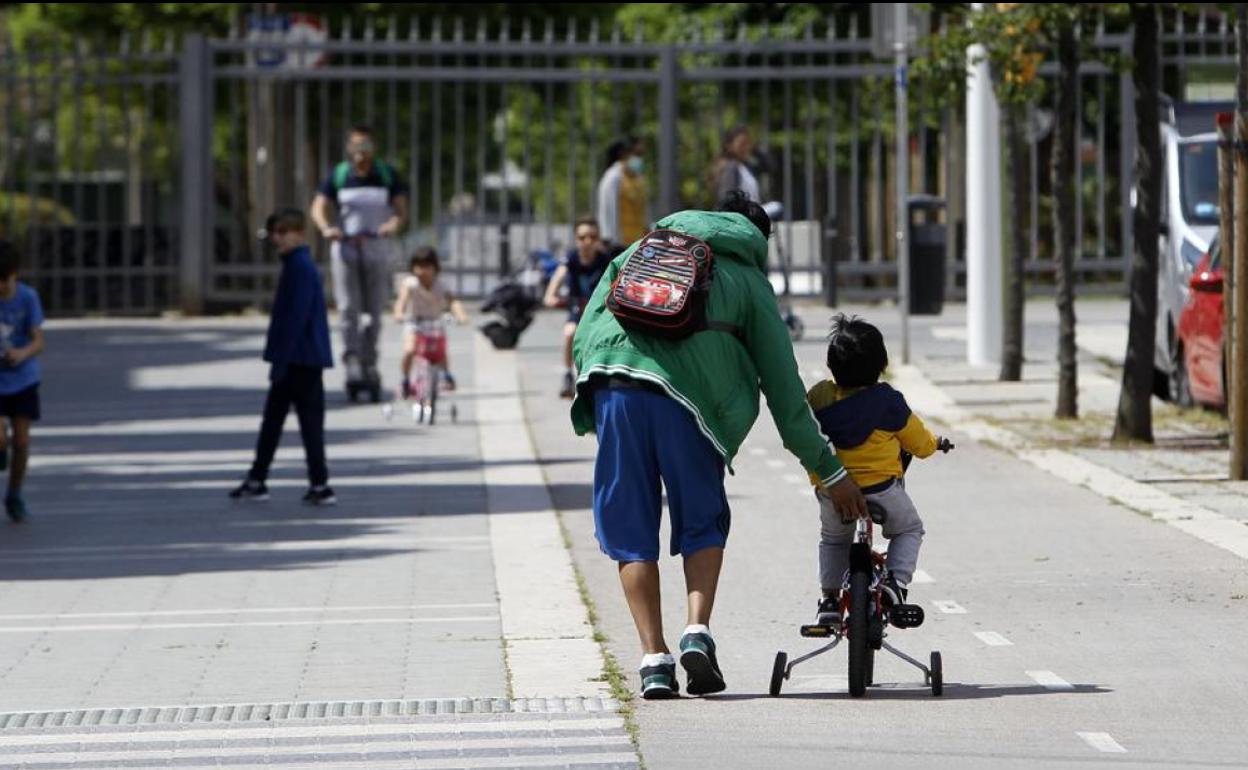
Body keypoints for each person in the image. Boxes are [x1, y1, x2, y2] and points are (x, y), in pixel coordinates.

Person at [570, 193, 866, 700]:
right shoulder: (748, 280)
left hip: (615, 388)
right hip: (689, 405)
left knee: (630, 531)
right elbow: (784, 390)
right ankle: (696, 632)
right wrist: (831, 471)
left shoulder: (637, 250)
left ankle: (653, 661)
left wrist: (597, 404)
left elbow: (585, 334)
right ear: (757, 238)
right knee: (701, 521)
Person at [806, 314, 947, 625]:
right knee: (909, 529)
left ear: (831, 364)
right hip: (881, 490)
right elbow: (919, 444)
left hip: (832, 489)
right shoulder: (888, 402)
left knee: (833, 539)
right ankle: (895, 584)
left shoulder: (818, 397)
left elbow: (806, 431)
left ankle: (829, 600)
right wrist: (936, 443)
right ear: (882, 364)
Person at [230, 209, 336, 506]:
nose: (278, 238)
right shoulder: (297, 264)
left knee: (287, 422)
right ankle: (306, 481)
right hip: (302, 357)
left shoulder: (299, 267)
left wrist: (282, 360)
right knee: (291, 422)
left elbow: (296, 317)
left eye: (283, 231)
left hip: (298, 359)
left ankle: (271, 480)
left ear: (299, 232)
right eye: (274, 233)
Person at [310, 125, 409, 389]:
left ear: (373, 148)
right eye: (356, 147)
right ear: (349, 149)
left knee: (374, 310)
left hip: (376, 247)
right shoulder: (340, 175)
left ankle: (370, 360)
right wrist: (326, 228)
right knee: (347, 308)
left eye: (365, 146)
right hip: (346, 249)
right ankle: (352, 358)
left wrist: (392, 225)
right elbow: (319, 206)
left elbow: (400, 211)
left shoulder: (386, 175)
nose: (360, 153)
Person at [543, 216, 613, 399]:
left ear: (598, 239)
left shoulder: (606, 260)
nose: (587, 242)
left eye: (592, 237)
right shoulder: (571, 259)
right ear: (576, 240)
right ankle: (568, 374)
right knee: (569, 332)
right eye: (582, 238)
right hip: (577, 310)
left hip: (600, 312)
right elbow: (558, 276)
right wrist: (550, 295)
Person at [0, 240, 44, 523]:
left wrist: (22, 353)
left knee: (23, 439)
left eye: (4, 280)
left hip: (23, 377)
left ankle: (14, 493)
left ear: (15, 274)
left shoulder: (28, 298)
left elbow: (39, 340)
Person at [393, 246, 468, 396]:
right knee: (409, 349)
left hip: (434, 321)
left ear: (435, 268)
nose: (422, 271)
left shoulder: (441, 284)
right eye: (418, 267)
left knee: (440, 350)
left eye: (427, 267)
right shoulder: (411, 284)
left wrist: (461, 315)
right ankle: (406, 379)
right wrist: (399, 313)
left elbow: (453, 301)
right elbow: (402, 300)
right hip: (415, 322)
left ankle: (446, 374)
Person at [595, 136, 649, 247]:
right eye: (637, 154)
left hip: (637, 242)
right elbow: (606, 210)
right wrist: (607, 238)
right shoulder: (613, 177)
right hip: (618, 243)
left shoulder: (637, 178)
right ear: (623, 154)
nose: (640, 159)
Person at [710, 126, 762, 204]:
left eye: (749, 143)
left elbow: (769, 166)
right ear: (729, 146)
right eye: (742, 144)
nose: (747, 147)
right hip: (742, 215)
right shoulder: (730, 167)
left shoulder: (745, 167)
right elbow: (727, 200)